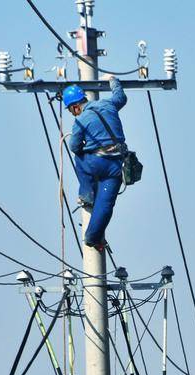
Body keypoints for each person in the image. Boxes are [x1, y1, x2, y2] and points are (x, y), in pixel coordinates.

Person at [63, 75, 128, 250]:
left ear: (75, 106)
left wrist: (85, 144)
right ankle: (92, 237)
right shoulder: (108, 105)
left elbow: (74, 146)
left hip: (96, 163)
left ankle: (87, 195)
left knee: (79, 158)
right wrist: (113, 80)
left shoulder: (80, 121)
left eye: (71, 110)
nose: (72, 113)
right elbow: (121, 97)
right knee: (106, 204)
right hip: (117, 165)